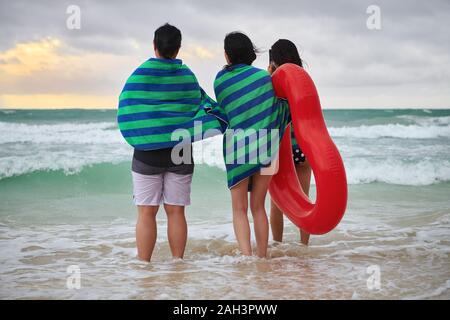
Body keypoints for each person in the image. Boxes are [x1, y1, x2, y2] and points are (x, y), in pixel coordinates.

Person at [118, 23, 225, 262]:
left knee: (146, 213)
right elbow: (202, 103)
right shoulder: (187, 75)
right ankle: (178, 263)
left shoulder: (140, 74)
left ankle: (144, 265)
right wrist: (216, 122)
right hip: (181, 150)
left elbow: (127, 105)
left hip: (147, 152)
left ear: (154, 46)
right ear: (178, 49)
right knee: (176, 212)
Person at [214, 32, 290, 258]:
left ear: (227, 55)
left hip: (237, 148)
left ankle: (247, 257)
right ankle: (263, 257)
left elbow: (228, 110)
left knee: (239, 209)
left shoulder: (220, 80)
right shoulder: (266, 79)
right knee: (259, 207)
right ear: (251, 53)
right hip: (267, 148)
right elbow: (279, 109)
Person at [268, 39, 312, 245]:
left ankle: (277, 245)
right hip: (303, 147)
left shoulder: (271, 83)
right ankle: (304, 247)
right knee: (305, 201)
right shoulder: (303, 80)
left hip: (279, 150)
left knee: (277, 204)